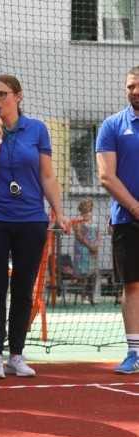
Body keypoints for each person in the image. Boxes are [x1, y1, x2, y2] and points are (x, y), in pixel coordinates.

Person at [0, 74, 70, 379]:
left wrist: (59, 213)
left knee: (24, 289)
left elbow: (47, 176)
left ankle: (17, 354)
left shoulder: (37, 129)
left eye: (3, 94)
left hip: (30, 220)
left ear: (18, 96)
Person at [96, 66, 139, 375]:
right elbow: (106, 176)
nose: (134, 91)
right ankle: (135, 353)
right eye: (130, 86)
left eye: (138, 86)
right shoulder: (112, 125)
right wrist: (136, 208)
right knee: (133, 286)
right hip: (127, 220)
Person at [72, 198, 100, 304]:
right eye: (85, 204)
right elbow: (78, 235)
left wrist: (95, 245)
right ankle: (83, 297)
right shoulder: (77, 219)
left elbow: (98, 233)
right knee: (82, 274)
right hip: (82, 249)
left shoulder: (95, 218)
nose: (87, 206)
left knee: (93, 274)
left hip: (93, 249)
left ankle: (91, 296)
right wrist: (89, 246)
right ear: (81, 206)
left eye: (89, 204)